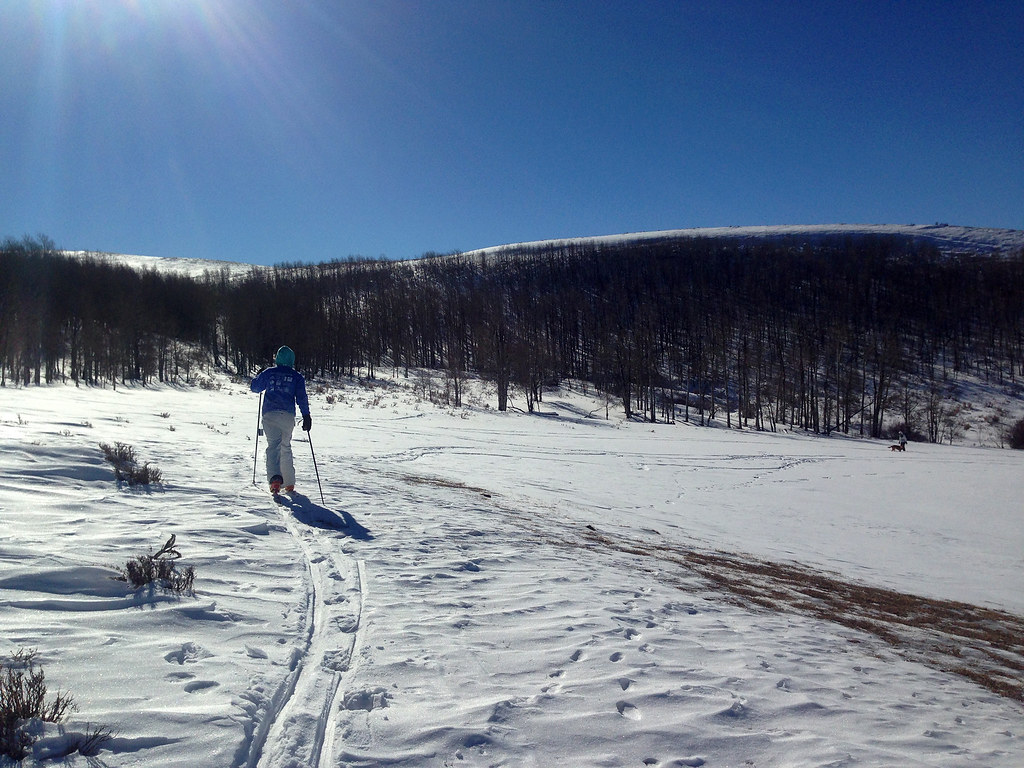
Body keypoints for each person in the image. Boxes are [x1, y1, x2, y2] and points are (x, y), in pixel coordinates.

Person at [250, 346, 311, 494]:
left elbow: (255, 388)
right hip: (288, 416)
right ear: (292, 360)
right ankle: (289, 483)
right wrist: (306, 415)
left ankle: (275, 480)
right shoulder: (297, 377)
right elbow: (301, 397)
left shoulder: (269, 373)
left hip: (270, 414)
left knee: (273, 446)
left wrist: (258, 377)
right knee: (285, 446)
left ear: (277, 358)